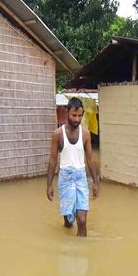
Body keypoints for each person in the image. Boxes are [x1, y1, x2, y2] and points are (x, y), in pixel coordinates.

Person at [46, 97, 100, 237]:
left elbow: (89, 159)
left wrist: (95, 182)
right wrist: (49, 185)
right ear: (67, 113)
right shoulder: (58, 134)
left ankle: (81, 254)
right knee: (69, 220)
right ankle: (67, 231)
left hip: (81, 177)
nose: (77, 119)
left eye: (80, 116)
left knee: (81, 220)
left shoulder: (86, 134)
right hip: (65, 178)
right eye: (74, 115)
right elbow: (53, 159)